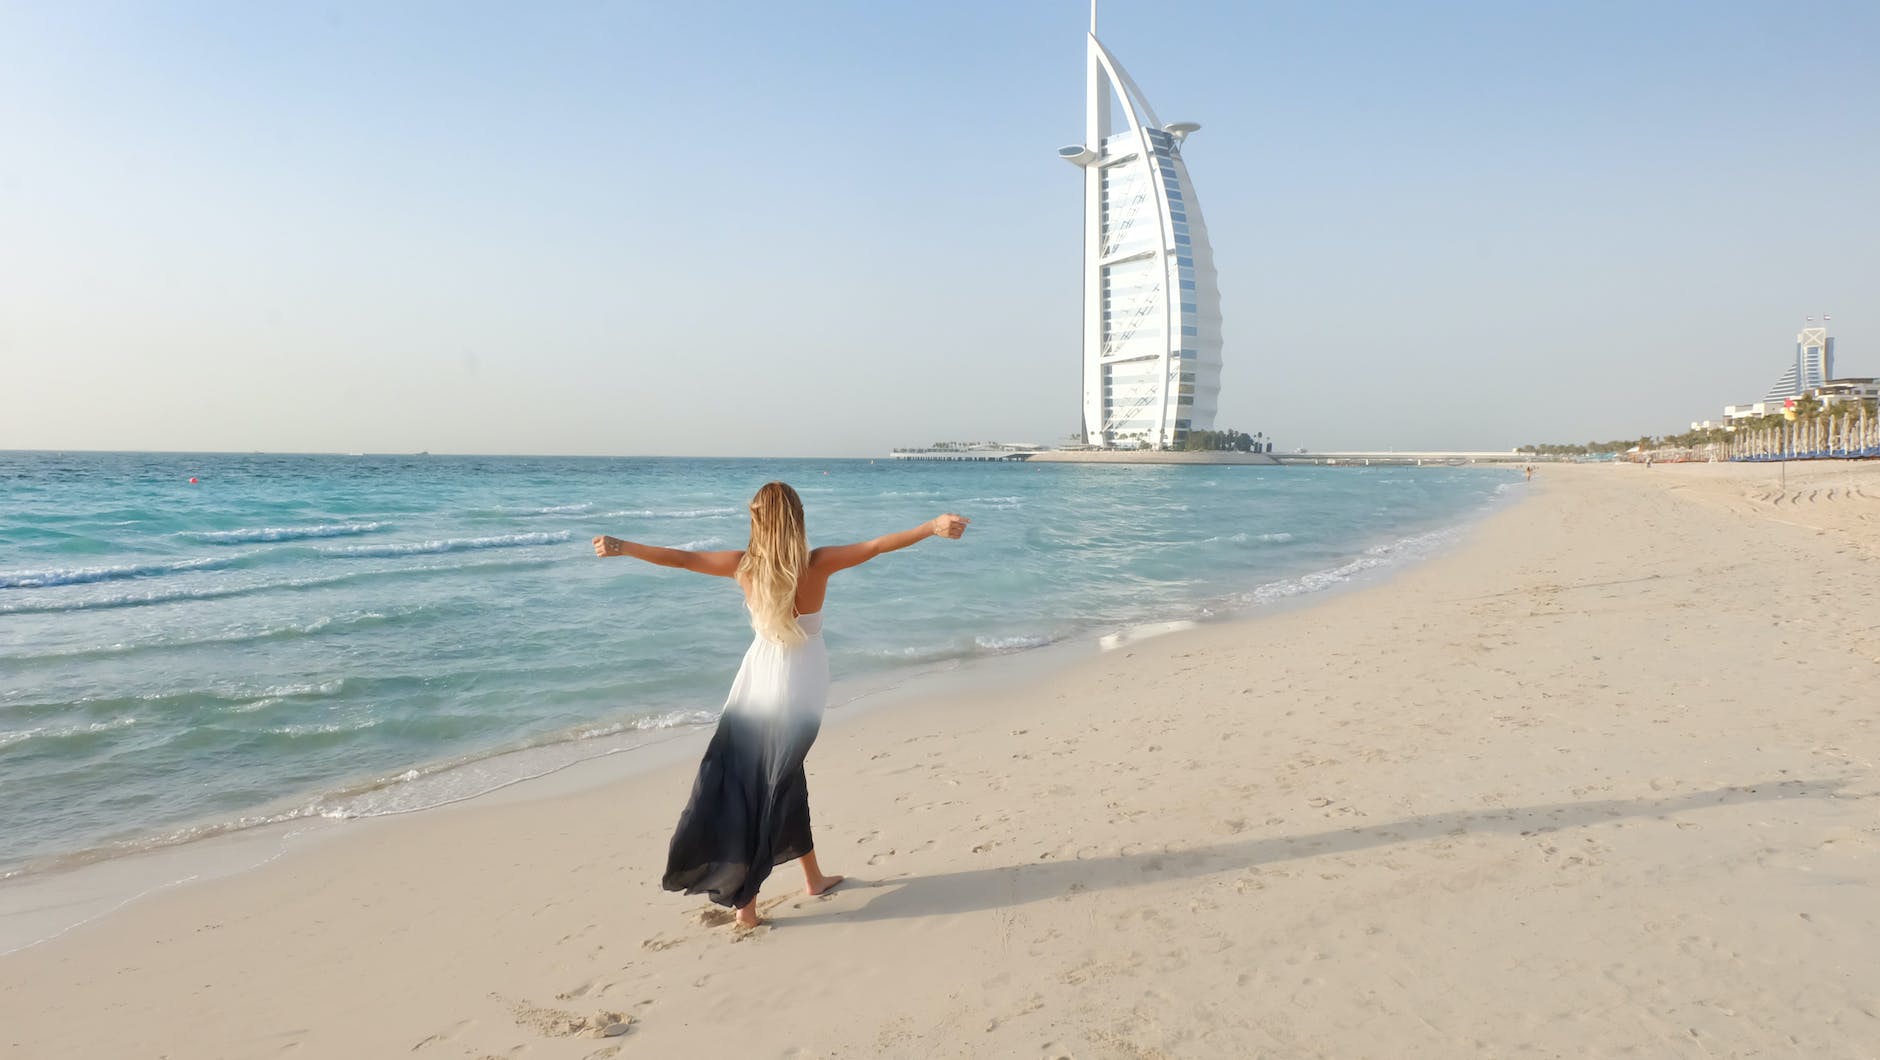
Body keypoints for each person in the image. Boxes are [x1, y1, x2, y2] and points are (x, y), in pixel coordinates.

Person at [593, 483, 969, 928]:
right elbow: (877, 546)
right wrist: (931, 526)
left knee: (770, 780)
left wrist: (623, 547)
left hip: (756, 685)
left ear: (757, 521)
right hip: (800, 691)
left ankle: (808, 878)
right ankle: (748, 905)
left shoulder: (743, 566)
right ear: (798, 519)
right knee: (773, 784)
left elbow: (682, 558)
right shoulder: (818, 563)